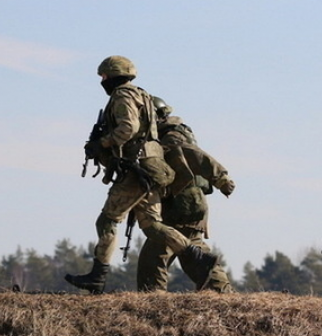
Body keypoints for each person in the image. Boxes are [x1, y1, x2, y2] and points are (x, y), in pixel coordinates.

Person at [65, 56, 220, 294]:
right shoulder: (143, 95)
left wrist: (103, 143)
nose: (102, 81)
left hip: (137, 170)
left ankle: (98, 276)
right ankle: (196, 256)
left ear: (113, 75)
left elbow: (129, 127)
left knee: (107, 221)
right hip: (152, 169)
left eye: (104, 76)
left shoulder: (123, 95)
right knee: (153, 226)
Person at [137, 97, 236, 292]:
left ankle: (152, 298)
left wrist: (221, 179)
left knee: (157, 253)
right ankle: (222, 292)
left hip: (183, 203)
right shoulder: (167, 135)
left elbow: (195, 155)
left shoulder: (171, 137)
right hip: (188, 202)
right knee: (191, 248)